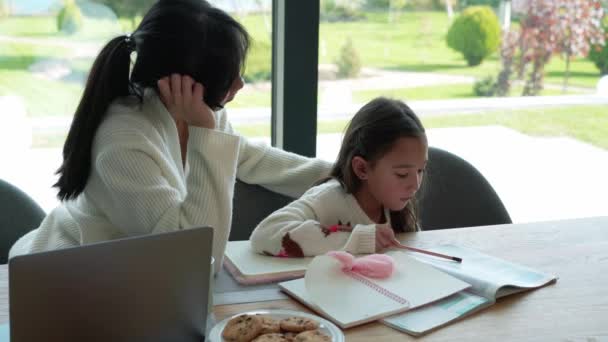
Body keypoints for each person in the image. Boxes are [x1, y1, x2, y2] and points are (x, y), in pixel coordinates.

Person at [9, 0, 330, 273]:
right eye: (227, 77)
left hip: (129, 273)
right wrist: (206, 135)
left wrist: (339, 176)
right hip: (65, 276)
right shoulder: (122, 141)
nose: (241, 85)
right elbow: (198, 258)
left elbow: (250, 158)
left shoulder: (195, 110)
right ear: (182, 83)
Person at [250, 97, 427, 257]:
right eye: (402, 174)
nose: (415, 185)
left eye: (420, 170)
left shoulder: (397, 207)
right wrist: (358, 240)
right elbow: (265, 233)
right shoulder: (329, 199)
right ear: (362, 169)